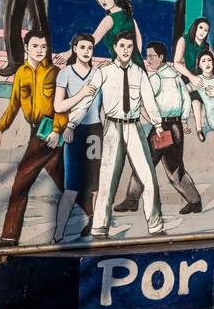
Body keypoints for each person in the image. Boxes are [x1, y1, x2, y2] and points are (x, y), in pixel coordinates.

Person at [66, 31, 166, 239]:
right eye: (122, 46)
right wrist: (72, 123)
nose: (126, 50)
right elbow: (87, 100)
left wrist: (157, 125)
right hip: (112, 128)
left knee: (148, 177)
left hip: (135, 127)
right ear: (115, 48)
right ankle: (99, 229)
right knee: (107, 180)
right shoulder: (104, 72)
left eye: (130, 47)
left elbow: (149, 100)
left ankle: (156, 227)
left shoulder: (139, 73)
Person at [0, 30, 66, 247]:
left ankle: (8, 237)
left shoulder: (55, 72)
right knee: (65, 183)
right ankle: (93, 212)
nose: (40, 50)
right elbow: (13, 104)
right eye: (35, 46)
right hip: (37, 131)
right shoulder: (21, 73)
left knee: (20, 184)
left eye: (43, 46)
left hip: (49, 132)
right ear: (26, 48)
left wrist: (57, 130)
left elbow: (62, 105)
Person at [120, 42, 203, 215]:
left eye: (151, 56)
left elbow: (146, 101)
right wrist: (185, 120)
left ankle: (131, 199)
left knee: (144, 161)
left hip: (162, 128)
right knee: (174, 167)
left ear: (161, 57)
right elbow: (186, 100)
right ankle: (195, 201)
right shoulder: (176, 75)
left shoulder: (156, 79)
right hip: (176, 127)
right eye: (147, 56)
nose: (148, 59)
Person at [53, 33, 101, 241]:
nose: (86, 52)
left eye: (89, 48)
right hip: (73, 130)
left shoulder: (98, 74)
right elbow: (58, 106)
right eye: (82, 47)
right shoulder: (65, 73)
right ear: (74, 49)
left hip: (95, 131)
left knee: (96, 185)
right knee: (71, 186)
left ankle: (96, 226)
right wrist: (81, 94)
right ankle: (58, 234)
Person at [173, 17, 211, 141]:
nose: (202, 31)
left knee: (197, 99)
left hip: (201, 78)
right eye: (201, 27)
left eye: (206, 30)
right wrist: (191, 77)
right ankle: (180, 123)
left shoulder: (206, 45)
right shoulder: (184, 40)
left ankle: (199, 129)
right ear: (195, 27)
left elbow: (213, 62)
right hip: (187, 76)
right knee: (182, 96)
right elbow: (177, 63)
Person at [90, 0, 143, 67]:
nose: (101, 0)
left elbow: (91, 41)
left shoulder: (109, 19)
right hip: (135, 66)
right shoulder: (130, 18)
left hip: (125, 68)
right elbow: (138, 46)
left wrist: (69, 53)